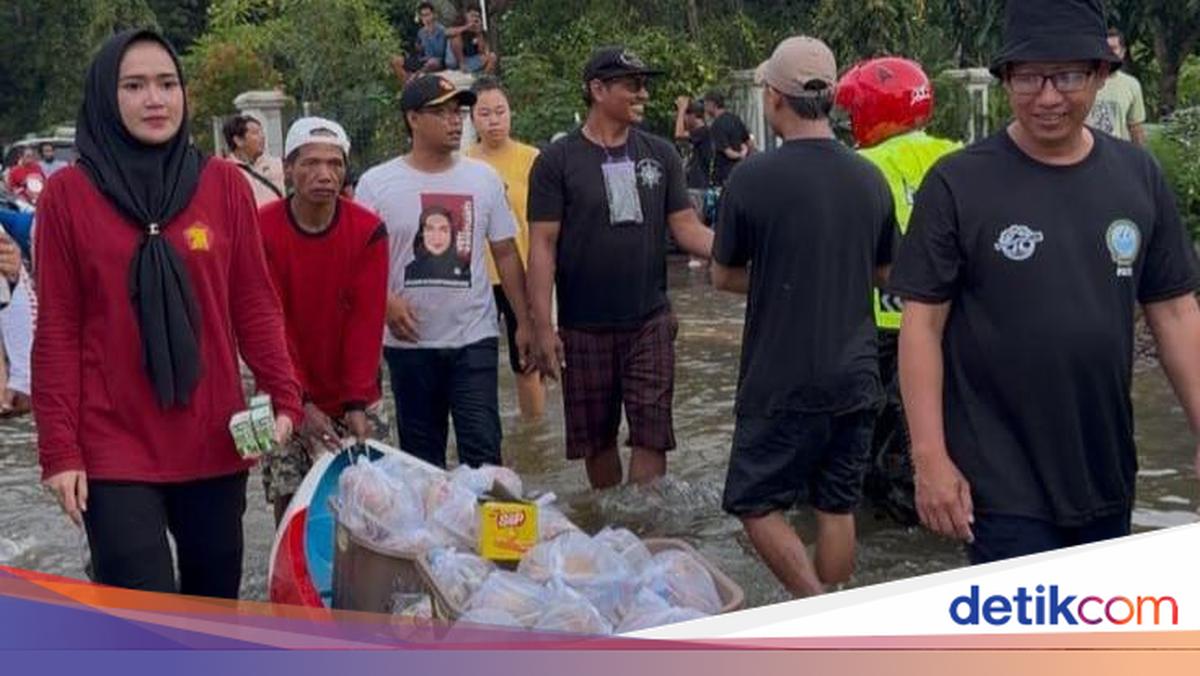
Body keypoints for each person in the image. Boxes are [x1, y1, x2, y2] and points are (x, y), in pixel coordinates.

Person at [889, 0, 1200, 565]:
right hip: (999, 480)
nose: (1048, 96)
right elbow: (922, 325)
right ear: (1006, 78)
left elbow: (1175, 312)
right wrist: (930, 458)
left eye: (1068, 75)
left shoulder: (1138, 176)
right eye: (1028, 77)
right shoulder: (959, 183)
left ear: (1102, 75)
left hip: (1104, 464)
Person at [33, 29, 302, 598]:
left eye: (167, 83)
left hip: (213, 434)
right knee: (142, 618)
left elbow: (253, 303)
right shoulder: (68, 197)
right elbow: (56, 329)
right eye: (134, 86)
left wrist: (284, 395)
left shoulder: (222, 185)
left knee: (212, 606)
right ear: (107, 96)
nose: (155, 99)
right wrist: (58, 450)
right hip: (112, 441)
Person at [711, 36, 898, 597]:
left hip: (781, 377)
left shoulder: (752, 179)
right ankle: (838, 610)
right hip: (856, 376)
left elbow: (722, 276)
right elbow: (890, 275)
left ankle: (815, 612)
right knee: (835, 506)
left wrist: (783, 277)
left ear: (774, 99)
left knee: (752, 503)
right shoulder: (869, 178)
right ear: (834, 97)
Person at [527, 46, 714, 489]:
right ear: (597, 89)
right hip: (583, 326)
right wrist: (541, 326)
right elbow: (542, 246)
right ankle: (612, 535)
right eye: (632, 85)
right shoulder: (557, 161)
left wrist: (741, 251)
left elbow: (687, 228)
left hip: (650, 319)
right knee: (597, 441)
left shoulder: (661, 153)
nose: (642, 93)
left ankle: (645, 531)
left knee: (652, 435)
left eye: (642, 84)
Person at [356, 74, 531, 469]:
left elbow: (505, 253)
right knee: (421, 462)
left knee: (485, 455)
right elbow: (357, 262)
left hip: (474, 338)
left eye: (458, 112)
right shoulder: (376, 184)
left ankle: (488, 530)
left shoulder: (482, 178)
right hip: (408, 344)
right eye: (442, 113)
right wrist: (383, 301)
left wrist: (525, 322)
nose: (456, 121)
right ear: (413, 119)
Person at [834, 56, 963, 525]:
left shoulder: (857, 166)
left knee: (880, 458)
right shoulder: (958, 153)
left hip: (884, 332)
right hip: (953, 328)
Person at [258, 117, 390, 524]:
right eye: (311, 163)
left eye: (335, 164)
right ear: (288, 168)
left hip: (353, 383)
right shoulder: (260, 229)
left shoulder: (368, 230)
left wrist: (356, 402)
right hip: (282, 385)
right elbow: (267, 323)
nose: (324, 175)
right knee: (289, 495)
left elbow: (366, 323)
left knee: (372, 500)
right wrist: (298, 402)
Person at [467, 77, 546, 421]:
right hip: (477, 279)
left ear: (511, 113)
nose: (494, 120)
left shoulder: (534, 160)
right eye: (484, 113)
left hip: (523, 273)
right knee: (474, 362)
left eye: (500, 111)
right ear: (472, 118)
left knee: (527, 362)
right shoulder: (463, 164)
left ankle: (534, 435)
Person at [1086, 28, 1147, 146]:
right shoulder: (1085, 80)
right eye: (1105, 48)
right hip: (1087, 152)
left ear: (1123, 52)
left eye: (1113, 48)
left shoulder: (1131, 85)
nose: (1108, 52)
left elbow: (1136, 128)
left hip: (1118, 155)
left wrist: (1140, 159)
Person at [674, 96, 715, 269]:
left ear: (693, 116)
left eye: (685, 116)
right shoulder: (700, 134)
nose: (683, 120)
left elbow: (678, 135)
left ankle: (698, 256)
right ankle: (698, 256)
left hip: (698, 184)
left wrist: (681, 108)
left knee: (696, 219)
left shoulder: (702, 131)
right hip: (696, 182)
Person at [224, 114, 286, 206]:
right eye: (255, 133)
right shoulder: (226, 172)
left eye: (262, 132)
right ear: (238, 141)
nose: (262, 137)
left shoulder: (277, 164)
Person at [704, 90, 751, 189]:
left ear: (712, 104)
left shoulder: (716, 125)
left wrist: (740, 155)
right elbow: (748, 142)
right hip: (741, 172)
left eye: (706, 105)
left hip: (724, 175)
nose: (705, 109)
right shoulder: (735, 119)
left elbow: (728, 152)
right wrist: (745, 152)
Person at [447, 5, 496, 75]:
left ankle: (483, 78)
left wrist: (478, 33)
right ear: (466, 16)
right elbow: (447, 32)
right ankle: (462, 64)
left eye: (477, 16)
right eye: (472, 16)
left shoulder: (480, 31)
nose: (474, 19)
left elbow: (482, 51)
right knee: (456, 37)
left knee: (492, 56)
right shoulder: (459, 23)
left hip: (470, 59)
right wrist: (466, 27)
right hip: (454, 60)